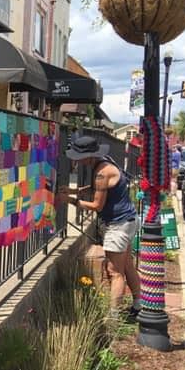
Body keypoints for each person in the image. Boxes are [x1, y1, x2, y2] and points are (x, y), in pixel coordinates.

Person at [59, 134, 140, 316]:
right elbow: (98, 188)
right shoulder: (103, 164)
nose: (77, 162)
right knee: (126, 265)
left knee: (114, 271)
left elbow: (97, 205)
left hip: (118, 224)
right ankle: (138, 306)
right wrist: (74, 190)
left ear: (88, 156)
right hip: (127, 220)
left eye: (79, 158)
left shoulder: (102, 172)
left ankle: (113, 318)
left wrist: (70, 200)